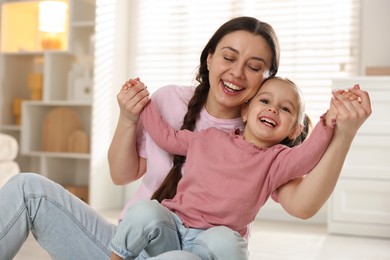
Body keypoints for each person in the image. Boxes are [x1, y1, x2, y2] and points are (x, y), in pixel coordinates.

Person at [0, 16, 371, 259]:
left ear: (266, 78)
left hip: (197, 253)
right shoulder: (169, 101)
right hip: (127, 243)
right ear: (209, 59)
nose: (238, 72)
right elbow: (121, 174)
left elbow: (302, 205)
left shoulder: (264, 143)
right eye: (228, 56)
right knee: (27, 188)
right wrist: (129, 116)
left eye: (255, 67)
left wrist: (342, 134)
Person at [109, 76, 338, 260]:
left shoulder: (277, 161)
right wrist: (143, 103)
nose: (273, 110)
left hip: (210, 245)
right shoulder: (209, 137)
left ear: (295, 131)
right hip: (173, 228)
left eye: (286, 109)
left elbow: (307, 157)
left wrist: (330, 121)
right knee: (145, 211)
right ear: (246, 111)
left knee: (229, 242)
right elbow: (165, 136)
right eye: (265, 101)